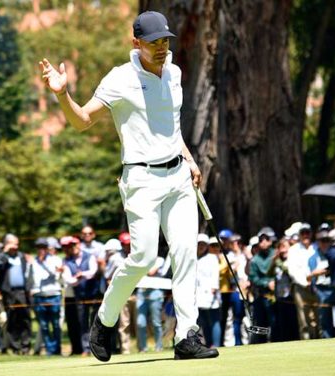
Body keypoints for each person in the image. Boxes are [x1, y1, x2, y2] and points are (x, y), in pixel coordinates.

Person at [39, 10, 217, 361]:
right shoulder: (120, 79)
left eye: (165, 41)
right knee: (144, 256)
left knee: (185, 253)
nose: (162, 48)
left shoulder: (175, 74)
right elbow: (83, 121)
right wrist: (62, 95)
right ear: (136, 43)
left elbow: (171, 127)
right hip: (141, 179)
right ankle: (104, 320)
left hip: (178, 174)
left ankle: (186, 336)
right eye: (154, 43)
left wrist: (191, 159)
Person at [60, 236, 99, 356]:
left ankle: (98, 346)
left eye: (75, 244)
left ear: (79, 244)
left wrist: (82, 274)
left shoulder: (90, 256)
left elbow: (93, 271)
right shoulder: (66, 261)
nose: (73, 247)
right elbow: (68, 279)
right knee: (82, 323)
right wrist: (77, 279)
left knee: (96, 321)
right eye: (71, 246)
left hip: (93, 294)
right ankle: (86, 348)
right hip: (79, 296)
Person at [0, 233, 32, 355]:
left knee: (25, 319)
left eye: (16, 243)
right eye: (12, 243)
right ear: (6, 244)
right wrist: (4, 253)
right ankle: (15, 347)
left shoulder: (21, 256)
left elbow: (28, 272)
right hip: (9, 293)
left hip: (22, 292)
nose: (15, 246)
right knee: (12, 320)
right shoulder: (1, 257)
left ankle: (25, 346)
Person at [28, 237, 63, 356]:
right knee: (43, 325)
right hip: (39, 296)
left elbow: (55, 275)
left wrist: (44, 263)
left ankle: (57, 349)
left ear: (47, 249)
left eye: (43, 247)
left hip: (54, 295)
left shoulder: (55, 259)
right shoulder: (33, 262)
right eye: (39, 247)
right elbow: (30, 279)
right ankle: (49, 350)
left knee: (56, 324)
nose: (41, 250)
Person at [286, 222, 319, 340]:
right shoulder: (293, 250)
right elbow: (292, 270)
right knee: (304, 320)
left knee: (317, 318)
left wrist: (313, 282)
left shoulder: (316, 247)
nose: (305, 235)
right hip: (301, 288)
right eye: (302, 233)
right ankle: (306, 343)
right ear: (299, 235)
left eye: (307, 233)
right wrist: (305, 283)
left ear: (311, 234)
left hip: (316, 287)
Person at [248, 227, 276, 344]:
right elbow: (253, 278)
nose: (263, 242)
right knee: (261, 325)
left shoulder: (276, 255)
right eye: (261, 240)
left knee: (276, 324)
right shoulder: (255, 260)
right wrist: (266, 283)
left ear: (271, 241)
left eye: (266, 239)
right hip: (261, 296)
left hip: (276, 296)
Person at [195, 234, 221, 348]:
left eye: (203, 244)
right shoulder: (193, 258)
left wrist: (214, 288)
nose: (201, 246)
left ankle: (216, 344)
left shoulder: (212, 257)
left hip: (211, 294)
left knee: (214, 320)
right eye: (199, 244)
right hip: (198, 295)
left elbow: (215, 275)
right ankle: (208, 343)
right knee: (204, 321)